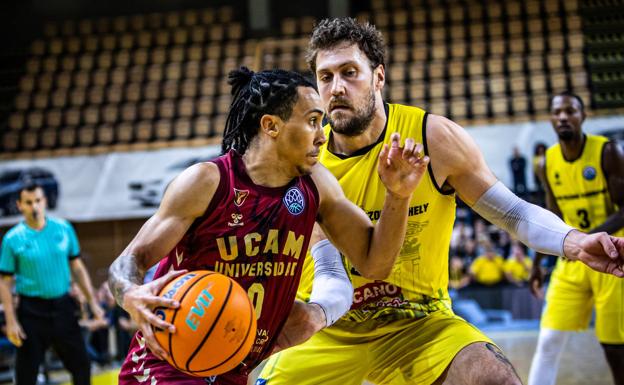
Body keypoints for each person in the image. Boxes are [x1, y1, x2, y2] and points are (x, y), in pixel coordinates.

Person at [258, 18, 624, 385]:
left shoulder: (433, 137)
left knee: (496, 380)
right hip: (328, 329)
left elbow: (513, 212)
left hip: (420, 322)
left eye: (350, 72)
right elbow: (328, 273)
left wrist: (574, 242)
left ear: (379, 76)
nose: (336, 88)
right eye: (325, 77)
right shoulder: (302, 159)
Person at [109, 67, 429, 385]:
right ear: (271, 125)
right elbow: (128, 262)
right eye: (313, 121)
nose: (322, 135)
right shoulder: (208, 181)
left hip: (234, 369)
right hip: (167, 364)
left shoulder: (317, 187)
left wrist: (398, 196)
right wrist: (131, 294)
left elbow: (376, 263)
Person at [528, 92, 624, 385]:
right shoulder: (546, 163)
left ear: (583, 116)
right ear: (551, 119)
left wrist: (587, 238)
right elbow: (551, 216)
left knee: (615, 349)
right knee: (548, 340)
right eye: (557, 112)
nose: (563, 117)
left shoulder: (608, 152)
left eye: (570, 111)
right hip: (573, 256)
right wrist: (537, 264)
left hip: (611, 256)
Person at [0, 181, 105, 385]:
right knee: (26, 374)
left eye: (38, 201)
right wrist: (11, 322)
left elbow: (77, 268)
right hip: (31, 312)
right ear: (20, 205)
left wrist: (92, 302)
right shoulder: (12, 239)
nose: (34, 206)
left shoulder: (63, 228)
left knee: (82, 365)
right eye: (28, 202)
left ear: (45, 201)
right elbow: (5, 282)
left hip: (63, 307)